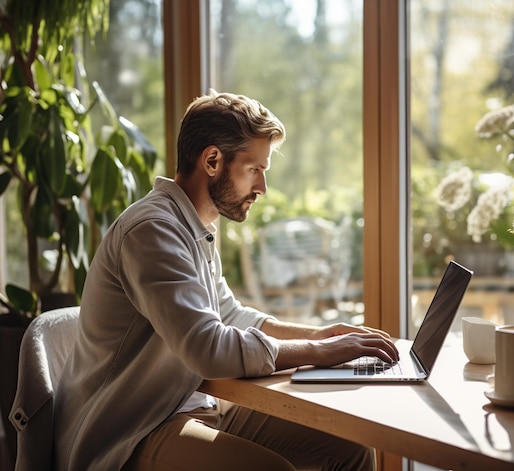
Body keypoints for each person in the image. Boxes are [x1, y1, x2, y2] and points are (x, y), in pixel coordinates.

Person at [53, 90, 399, 471]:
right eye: (255, 169)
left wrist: (320, 336)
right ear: (213, 160)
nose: (262, 188)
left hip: (188, 404)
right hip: (131, 431)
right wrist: (321, 353)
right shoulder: (152, 231)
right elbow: (209, 349)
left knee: (348, 448)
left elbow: (229, 315)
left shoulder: (196, 227)